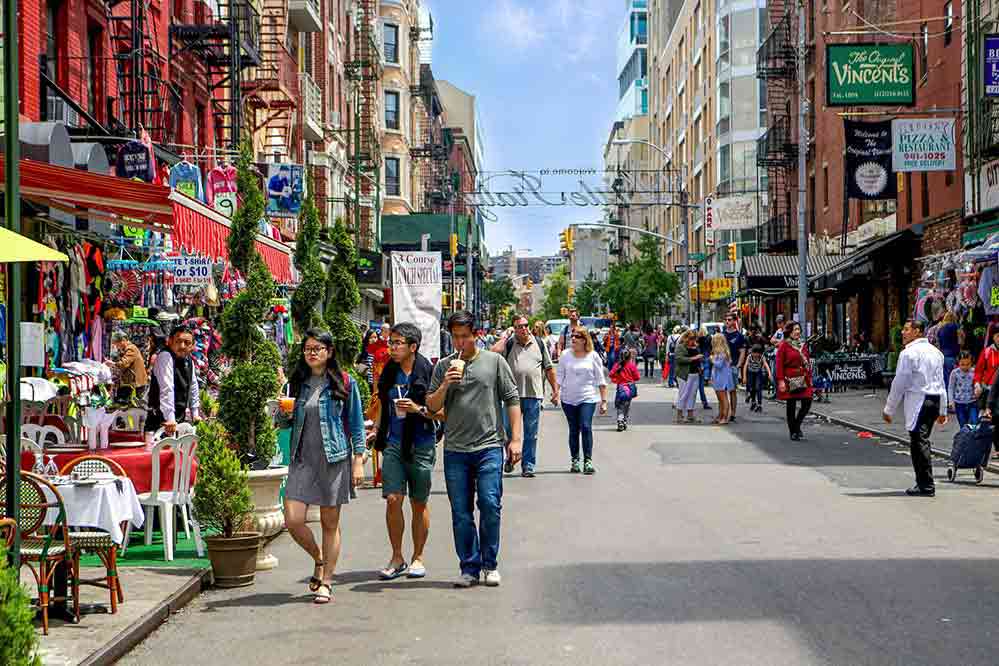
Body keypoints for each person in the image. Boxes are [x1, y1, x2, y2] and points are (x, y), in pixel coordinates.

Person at [428, 311, 521, 588]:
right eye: (455, 337)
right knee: (461, 511)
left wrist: (515, 439)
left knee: (490, 504)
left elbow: (511, 398)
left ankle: (490, 563)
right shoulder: (443, 366)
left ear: (476, 335)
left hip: (489, 445)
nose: (460, 342)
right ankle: (469, 565)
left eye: (465, 337)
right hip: (456, 449)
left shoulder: (494, 362)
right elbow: (432, 407)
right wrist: (446, 383)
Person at [281, 329, 366, 603]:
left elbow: (355, 424)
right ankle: (319, 559)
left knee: (330, 523)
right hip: (302, 459)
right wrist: (282, 413)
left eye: (317, 348)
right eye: (307, 349)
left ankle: (327, 580)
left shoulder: (345, 382)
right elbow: (285, 422)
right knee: (293, 520)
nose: (312, 353)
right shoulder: (297, 383)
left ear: (329, 352)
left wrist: (358, 461)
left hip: (334, 459)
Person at [372, 323, 439, 581]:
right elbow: (382, 406)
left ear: (413, 347)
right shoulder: (389, 371)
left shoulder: (428, 372)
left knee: (418, 502)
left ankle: (418, 557)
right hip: (393, 443)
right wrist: (375, 430)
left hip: (421, 443)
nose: (393, 347)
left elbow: (440, 413)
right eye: (392, 342)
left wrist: (417, 409)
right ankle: (397, 556)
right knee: (392, 499)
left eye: (398, 343)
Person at [884, 320, 947, 497]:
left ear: (917, 332)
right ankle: (923, 482)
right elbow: (941, 382)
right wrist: (942, 409)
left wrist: (889, 408)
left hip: (920, 401)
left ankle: (926, 485)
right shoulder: (936, 353)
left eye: (906, 329)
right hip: (934, 400)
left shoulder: (908, 354)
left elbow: (899, 383)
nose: (903, 333)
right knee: (920, 440)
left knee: (919, 442)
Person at [491, 314, 559, 477]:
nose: (524, 328)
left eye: (526, 325)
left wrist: (555, 390)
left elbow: (549, 368)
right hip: (511, 396)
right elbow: (494, 352)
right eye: (520, 326)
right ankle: (510, 457)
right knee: (508, 432)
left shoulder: (539, 343)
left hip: (533, 395)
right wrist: (506, 335)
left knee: (531, 433)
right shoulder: (509, 343)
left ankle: (528, 465)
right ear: (514, 329)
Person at [557, 325, 608, 474]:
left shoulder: (593, 356)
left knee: (585, 426)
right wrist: (555, 392)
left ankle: (588, 460)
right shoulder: (566, 355)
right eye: (572, 336)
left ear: (585, 340)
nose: (573, 339)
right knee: (574, 429)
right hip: (568, 398)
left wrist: (604, 401)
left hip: (588, 397)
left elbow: (601, 379)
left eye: (577, 336)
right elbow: (559, 376)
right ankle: (575, 460)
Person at [145, 324, 201, 438]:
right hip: (162, 420)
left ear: (193, 346)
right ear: (169, 341)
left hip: (177, 418)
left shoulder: (189, 360)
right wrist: (170, 418)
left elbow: (193, 386)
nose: (182, 346)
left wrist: (195, 413)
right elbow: (167, 388)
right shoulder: (165, 356)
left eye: (187, 343)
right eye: (178, 341)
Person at [775, 321, 814, 441]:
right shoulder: (784, 345)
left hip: (803, 377)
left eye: (798, 329)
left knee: (807, 402)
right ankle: (793, 431)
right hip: (789, 378)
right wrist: (780, 380)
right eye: (795, 329)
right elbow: (779, 364)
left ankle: (797, 426)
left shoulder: (803, 345)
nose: (797, 332)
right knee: (791, 404)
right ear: (789, 331)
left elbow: (807, 361)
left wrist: (810, 378)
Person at [106, 329, 148, 404]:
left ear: (123, 340)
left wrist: (113, 364)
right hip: (133, 383)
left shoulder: (131, 348)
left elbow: (124, 363)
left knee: (134, 406)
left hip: (136, 383)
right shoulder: (128, 349)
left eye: (117, 344)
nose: (117, 347)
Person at [673, 330, 704, 424]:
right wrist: (693, 358)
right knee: (684, 394)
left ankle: (690, 415)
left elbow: (697, 358)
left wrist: (700, 365)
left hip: (695, 373)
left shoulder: (695, 346)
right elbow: (679, 359)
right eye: (691, 339)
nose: (693, 341)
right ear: (686, 338)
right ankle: (679, 415)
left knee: (693, 395)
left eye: (694, 338)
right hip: (685, 374)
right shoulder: (680, 346)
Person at [723, 315, 747, 422]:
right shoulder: (722, 335)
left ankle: (732, 413)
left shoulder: (739, 336)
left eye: (729, 320)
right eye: (726, 320)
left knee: (732, 391)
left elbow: (742, 351)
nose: (727, 322)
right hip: (722, 366)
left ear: (734, 321)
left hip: (733, 366)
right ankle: (724, 411)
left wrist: (739, 365)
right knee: (722, 391)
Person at [610, 348, 640, 431]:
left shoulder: (617, 365)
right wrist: (631, 379)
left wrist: (616, 380)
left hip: (620, 387)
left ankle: (620, 420)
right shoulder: (632, 365)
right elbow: (637, 377)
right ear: (629, 357)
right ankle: (625, 421)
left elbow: (611, 374)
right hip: (630, 389)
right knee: (626, 405)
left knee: (620, 405)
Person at [708, 333, 734, 425]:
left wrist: (712, 360)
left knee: (723, 399)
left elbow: (719, 365)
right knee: (720, 399)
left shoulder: (722, 353)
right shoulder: (719, 353)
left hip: (722, 379)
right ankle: (720, 416)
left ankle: (724, 417)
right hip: (718, 378)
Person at [949, 351, 978, 428]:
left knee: (974, 423)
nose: (965, 367)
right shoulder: (955, 373)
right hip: (959, 403)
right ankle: (965, 439)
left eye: (968, 364)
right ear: (958, 363)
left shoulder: (974, 371)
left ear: (971, 362)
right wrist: (951, 401)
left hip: (972, 402)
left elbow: (978, 384)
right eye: (962, 364)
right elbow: (951, 387)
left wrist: (978, 389)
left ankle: (973, 438)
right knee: (963, 425)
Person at [973, 324, 999, 410]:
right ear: (993, 337)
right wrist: (977, 384)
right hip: (989, 391)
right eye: (998, 336)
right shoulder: (986, 352)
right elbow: (978, 371)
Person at [743, 344, 772, 413]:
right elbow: (745, 366)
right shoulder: (749, 357)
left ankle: (759, 404)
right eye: (754, 353)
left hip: (758, 373)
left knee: (758, 388)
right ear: (752, 352)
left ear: (760, 353)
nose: (755, 355)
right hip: (750, 373)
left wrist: (769, 373)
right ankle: (753, 401)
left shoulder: (762, 357)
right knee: (751, 388)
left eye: (757, 353)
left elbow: (766, 365)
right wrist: (744, 377)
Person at [936, 312, 961, 389]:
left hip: (942, 356)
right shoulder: (955, 327)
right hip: (952, 355)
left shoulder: (940, 329)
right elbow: (960, 341)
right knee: (952, 379)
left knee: (945, 379)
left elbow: (938, 343)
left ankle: (946, 398)